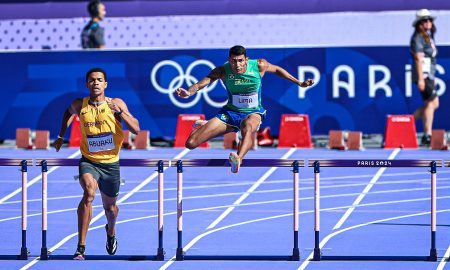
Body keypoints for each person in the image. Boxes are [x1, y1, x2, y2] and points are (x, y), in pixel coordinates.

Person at [176, 45, 314, 173]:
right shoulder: (223, 71)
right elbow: (202, 83)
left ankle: (238, 159)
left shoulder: (259, 65)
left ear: (246, 59)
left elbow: (277, 69)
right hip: (230, 113)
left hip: (254, 112)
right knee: (190, 143)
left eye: (241, 61)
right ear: (229, 60)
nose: (237, 65)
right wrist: (189, 92)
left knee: (247, 127)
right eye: (234, 61)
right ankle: (207, 124)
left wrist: (299, 83)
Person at [54, 68, 140, 260]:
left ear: (105, 84)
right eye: (92, 80)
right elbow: (67, 113)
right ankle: (81, 247)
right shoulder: (79, 104)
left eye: (99, 80)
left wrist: (121, 114)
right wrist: (61, 135)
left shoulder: (115, 103)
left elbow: (136, 129)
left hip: (111, 164)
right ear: (87, 84)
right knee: (89, 193)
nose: (95, 83)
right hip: (89, 161)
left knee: (110, 209)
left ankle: (111, 231)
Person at [410, 9, 439, 146]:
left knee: (434, 103)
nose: (429, 23)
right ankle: (427, 134)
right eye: (425, 20)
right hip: (424, 74)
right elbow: (418, 58)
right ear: (419, 24)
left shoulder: (428, 35)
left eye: (430, 20)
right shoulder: (418, 38)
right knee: (430, 103)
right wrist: (421, 78)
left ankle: (407, 122)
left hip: (430, 74)